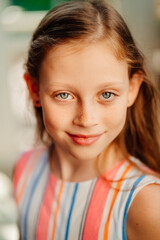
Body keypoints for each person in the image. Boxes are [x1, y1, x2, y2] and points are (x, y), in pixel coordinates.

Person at [13, 0, 160, 239]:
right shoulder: (25, 169)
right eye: (64, 95)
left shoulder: (147, 204)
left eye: (107, 94)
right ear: (34, 90)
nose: (86, 119)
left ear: (132, 89)